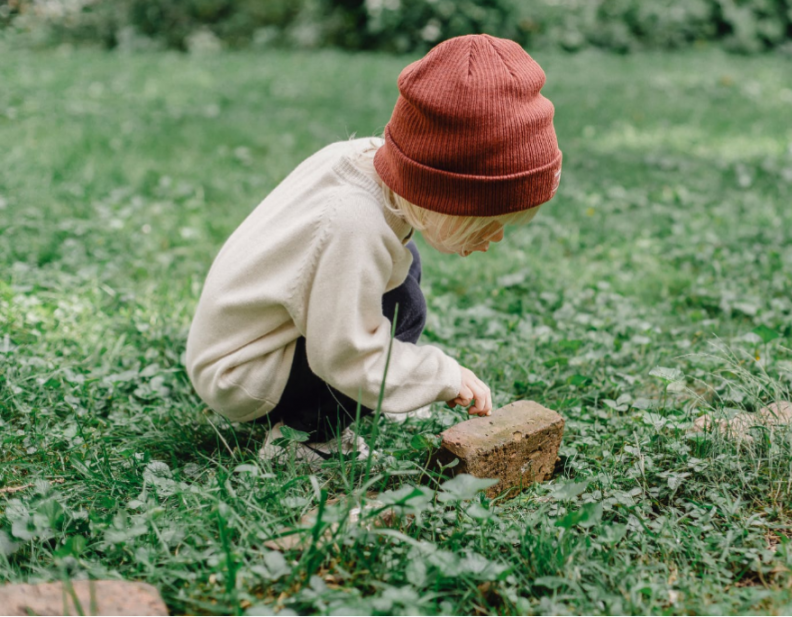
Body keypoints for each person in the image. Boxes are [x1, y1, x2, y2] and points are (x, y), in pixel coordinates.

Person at [184, 34, 562, 464]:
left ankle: (375, 389)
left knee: (402, 283)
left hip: (259, 336)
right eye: (487, 223)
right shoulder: (352, 225)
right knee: (401, 311)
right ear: (444, 193)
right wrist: (440, 375)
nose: (493, 239)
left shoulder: (371, 167)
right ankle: (305, 439)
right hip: (241, 370)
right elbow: (346, 356)